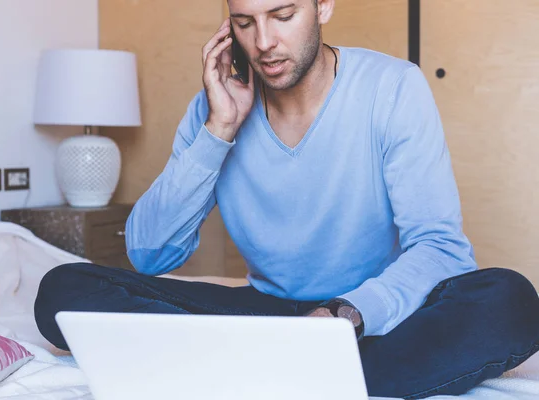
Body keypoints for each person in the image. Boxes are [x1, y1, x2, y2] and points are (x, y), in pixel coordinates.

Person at [34, 0, 539, 398]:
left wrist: (344, 316)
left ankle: (263, 372)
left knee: (510, 301)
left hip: (368, 318)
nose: (265, 42)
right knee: (63, 287)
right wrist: (220, 128)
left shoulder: (392, 87)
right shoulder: (216, 107)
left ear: (323, 6)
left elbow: (441, 247)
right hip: (267, 317)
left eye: (282, 15)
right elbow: (150, 254)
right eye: (244, 23)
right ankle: (299, 373)